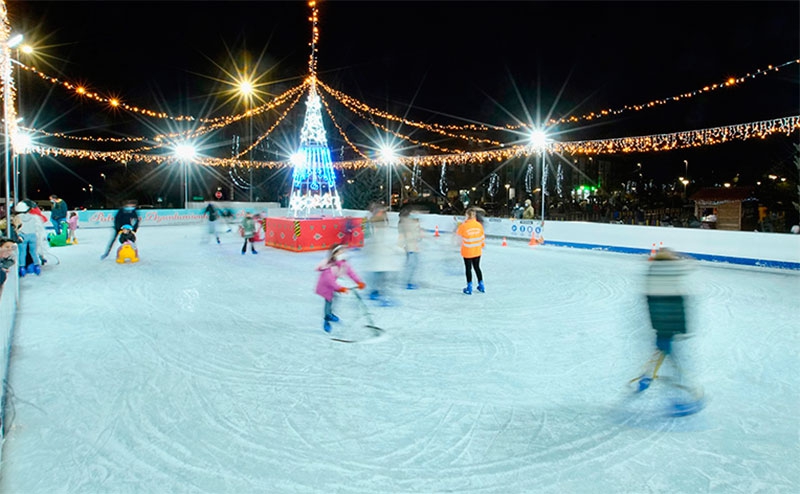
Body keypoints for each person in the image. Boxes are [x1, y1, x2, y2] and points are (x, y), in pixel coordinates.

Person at [631, 247, 703, 415]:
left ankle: (646, 377)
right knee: (675, 360)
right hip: (670, 323)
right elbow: (691, 264)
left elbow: (651, 302)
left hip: (660, 323)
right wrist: (680, 255)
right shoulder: (672, 271)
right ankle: (677, 399)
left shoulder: (652, 273)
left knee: (663, 351)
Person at [314, 244, 365, 333]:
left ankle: (330, 313)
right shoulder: (329, 265)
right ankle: (327, 318)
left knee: (335, 298)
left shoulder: (343, 263)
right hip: (326, 286)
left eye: (343, 251)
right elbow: (329, 280)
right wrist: (339, 288)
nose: (343, 253)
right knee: (328, 300)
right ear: (334, 254)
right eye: (340, 252)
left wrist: (359, 282)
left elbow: (351, 273)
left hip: (334, 285)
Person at [362, 203, 403, 305]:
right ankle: (376, 293)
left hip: (380, 257)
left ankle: (375, 292)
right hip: (378, 257)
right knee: (379, 277)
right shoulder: (374, 227)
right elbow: (373, 242)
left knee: (380, 276)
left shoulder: (380, 227)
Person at [456, 207, 485, 294]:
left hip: (467, 251)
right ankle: (481, 285)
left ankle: (469, 287)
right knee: (477, 267)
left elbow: (458, 234)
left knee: (468, 269)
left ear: (467, 215)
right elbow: (482, 238)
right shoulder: (479, 225)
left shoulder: (464, 226)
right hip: (477, 251)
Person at [12, 201, 45, 276]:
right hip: (33, 236)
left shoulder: (16, 218)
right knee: (33, 252)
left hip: (23, 236)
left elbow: (15, 228)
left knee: (22, 253)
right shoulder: (34, 217)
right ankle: (37, 266)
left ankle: (22, 268)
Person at [398, 207, 423, 290]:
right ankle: (407, 282)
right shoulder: (407, 224)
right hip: (411, 248)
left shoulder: (405, 224)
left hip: (411, 247)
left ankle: (408, 281)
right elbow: (414, 236)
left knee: (412, 264)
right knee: (412, 265)